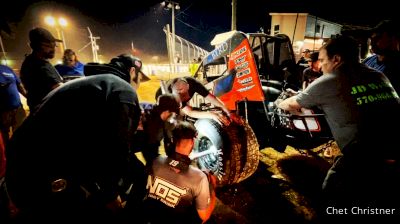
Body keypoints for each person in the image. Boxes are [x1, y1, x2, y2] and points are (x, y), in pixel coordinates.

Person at [5, 53, 149, 223]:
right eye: (140, 78)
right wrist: (110, 195)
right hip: (40, 172)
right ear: (133, 72)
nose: (139, 85)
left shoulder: (95, 84)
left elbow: (95, 142)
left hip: (21, 166)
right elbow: (116, 148)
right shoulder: (123, 90)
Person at [277, 36, 400, 216]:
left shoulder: (331, 79)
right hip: (394, 147)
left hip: (365, 153)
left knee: (333, 190)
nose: (321, 66)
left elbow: (291, 104)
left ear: (336, 59)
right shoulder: (378, 75)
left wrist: (280, 103)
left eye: (323, 60)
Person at [142, 121, 217, 224]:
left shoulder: (156, 161)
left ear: (173, 140)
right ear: (192, 142)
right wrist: (212, 188)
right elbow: (204, 216)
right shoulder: (199, 178)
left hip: (148, 217)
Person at [157, 76, 231, 126]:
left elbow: (211, 97)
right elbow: (190, 112)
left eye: (183, 96)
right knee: (174, 121)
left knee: (184, 113)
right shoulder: (172, 96)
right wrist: (211, 115)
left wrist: (224, 107)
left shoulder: (194, 84)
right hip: (163, 98)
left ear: (188, 87)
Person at [20, 27, 64, 111]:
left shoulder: (35, 61)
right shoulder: (38, 66)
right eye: (49, 46)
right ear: (36, 46)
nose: (53, 49)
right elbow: (60, 89)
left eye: (54, 45)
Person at [131, 93, 181, 165]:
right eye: (173, 113)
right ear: (167, 112)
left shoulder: (148, 107)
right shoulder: (153, 126)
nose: (174, 116)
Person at [363, 20, 400, 93]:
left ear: (392, 39)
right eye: (371, 39)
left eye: (377, 38)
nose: (371, 43)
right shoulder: (367, 61)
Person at [0, 64, 27, 146]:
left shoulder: (7, 68)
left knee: (21, 133)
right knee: (5, 137)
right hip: (3, 112)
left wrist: (29, 97)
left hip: (18, 109)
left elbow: (19, 85)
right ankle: (8, 155)